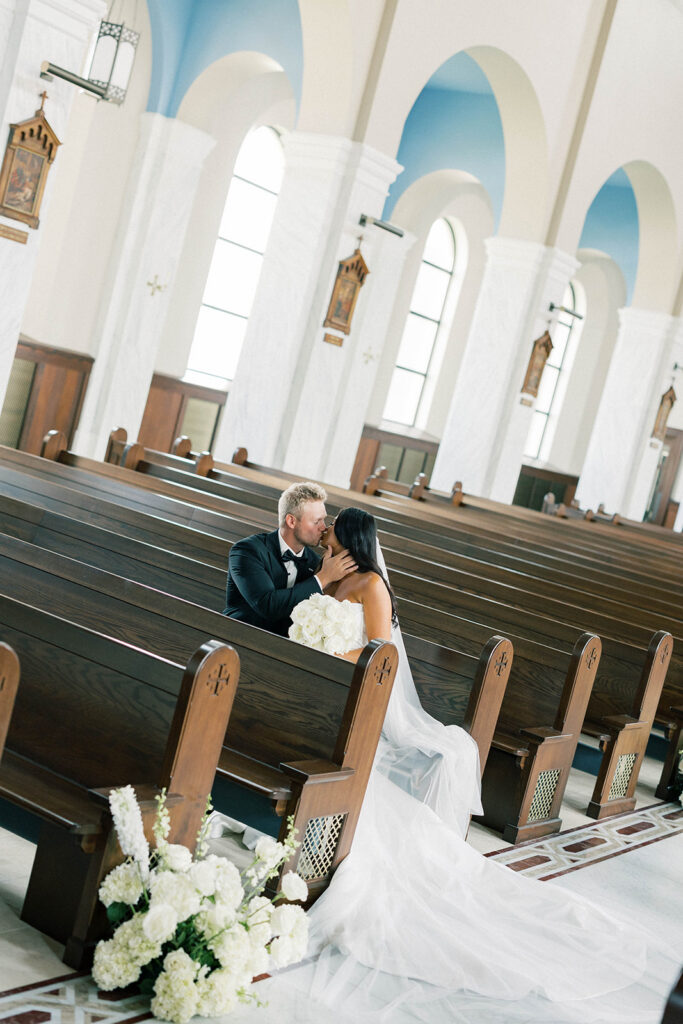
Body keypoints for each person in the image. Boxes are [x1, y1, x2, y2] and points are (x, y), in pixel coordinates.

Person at [268, 506, 676, 1024]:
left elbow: (377, 656)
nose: (323, 535)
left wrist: (322, 650)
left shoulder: (372, 586)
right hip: (329, 693)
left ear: (350, 540)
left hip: (358, 693)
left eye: (330, 531)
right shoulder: (328, 579)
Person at [223, 481, 357, 636]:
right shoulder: (247, 551)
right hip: (237, 638)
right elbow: (268, 606)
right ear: (291, 521)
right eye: (316, 521)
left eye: (324, 519)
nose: (323, 527)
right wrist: (323, 578)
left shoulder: (315, 562)